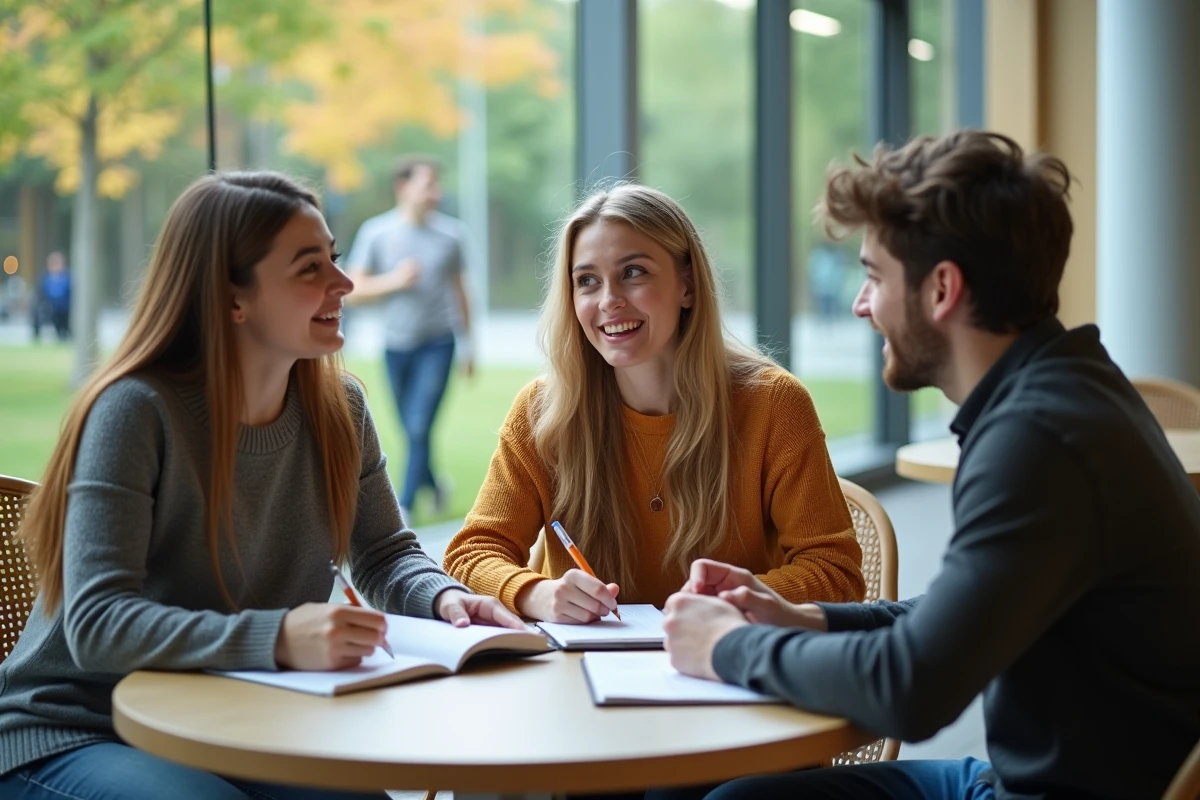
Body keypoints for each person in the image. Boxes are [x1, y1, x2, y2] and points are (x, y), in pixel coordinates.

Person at [661, 130, 1200, 799]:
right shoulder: (1070, 385)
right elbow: (962, 615)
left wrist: (724, 647)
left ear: (942, 288)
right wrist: (806, 619)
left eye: (874, 276)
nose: (860, 304)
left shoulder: (1038, 439)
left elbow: (910, 689)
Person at [0, 171, 522, 800]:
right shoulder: (136, 411)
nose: (344, 283)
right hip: (75, 726)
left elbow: (385, 555)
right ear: (232, 300)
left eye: (333, 258)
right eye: (310, 268)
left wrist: (443, 597)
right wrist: (277, 639)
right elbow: (97, 624)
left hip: (234, 714)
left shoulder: (341, 408)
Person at [441, 184, 865, 623]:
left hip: (727, 656)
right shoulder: (542, 412)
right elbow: (470, 554)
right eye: (587, 281)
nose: (609, 300)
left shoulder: (774, 405)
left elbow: (837, 573)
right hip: (578, 663)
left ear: (688, 285)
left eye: (633, 272)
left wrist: (734, 602)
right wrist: (536, 594)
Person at [344, 156, 474, 523]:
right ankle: (436, 485)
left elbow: (461, 291)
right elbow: (353, 290)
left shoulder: (452, 235)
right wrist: (394, 281)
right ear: (403, 187)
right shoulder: (376, 233)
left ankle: (404, 505)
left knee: (418, 425)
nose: (436, 192)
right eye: (428, 184)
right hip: (395, 347)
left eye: (437, 185)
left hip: (438, 343)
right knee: (413, 430)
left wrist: (469, 346)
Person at [33, 250, 71, 341]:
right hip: (49, 306)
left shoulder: (67, 277)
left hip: (64, 307)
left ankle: (63, 333)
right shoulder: (45, 278)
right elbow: (40, 293)